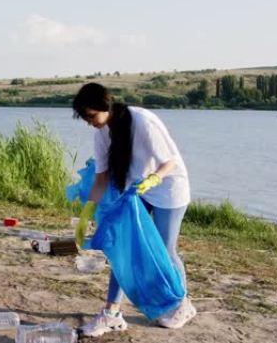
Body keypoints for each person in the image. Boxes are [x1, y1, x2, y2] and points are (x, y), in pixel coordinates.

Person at [72, 82, 196, 337]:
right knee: (122, 248)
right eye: (85, 118)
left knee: (166, 249)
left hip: (169, 188)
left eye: (91, 116)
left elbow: (169, 162)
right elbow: (101, 179)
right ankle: (111, 314)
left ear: (104, 106)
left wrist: (153, 179)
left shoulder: (143, 122)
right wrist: (87, 213)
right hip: (136, 190)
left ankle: (182, 304)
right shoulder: (101, 134)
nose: (90, 122)